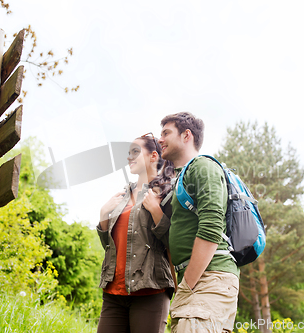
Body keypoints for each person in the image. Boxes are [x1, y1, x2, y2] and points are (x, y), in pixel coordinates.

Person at [158, 112, 240, 333]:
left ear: (186, 135)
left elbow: (212, 227)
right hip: (197, 282)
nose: (160, 139)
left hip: (209, 279)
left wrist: (186, 286)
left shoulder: (203, 167)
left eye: (166, 132)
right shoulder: (182, 177)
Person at [96, 134, 175, 333]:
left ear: (153, 156)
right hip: (114, 292)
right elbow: (109, 245)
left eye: (135, 152)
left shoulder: (167, 193)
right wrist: (103, 215)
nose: (129, 157)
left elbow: (173, 244)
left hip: (150, 291)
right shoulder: (121, 197)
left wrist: (157, 213)